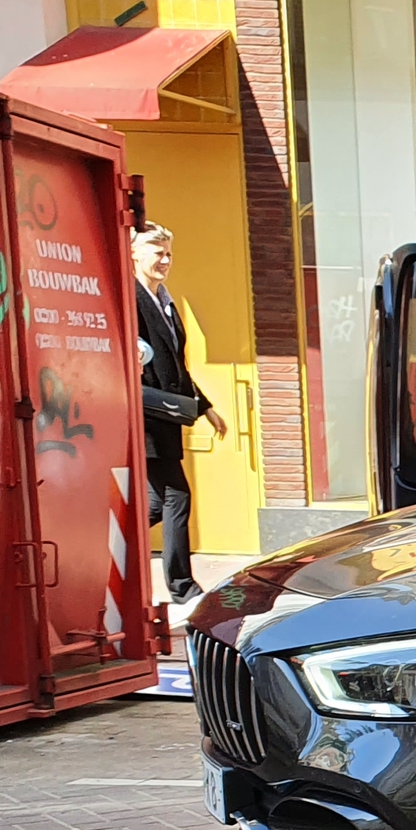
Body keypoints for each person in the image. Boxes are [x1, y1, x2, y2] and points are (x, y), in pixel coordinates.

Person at [133, 223, 225, 606]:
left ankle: (103, 545)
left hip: (168, 418)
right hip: (147, 418)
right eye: (158, 252)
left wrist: (205, 407)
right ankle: (182, 586)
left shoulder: (165, 303)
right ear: (134, 253)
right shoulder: (130, 300)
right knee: (176, 496)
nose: (166, 260)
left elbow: (178, 366)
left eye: (169, 253)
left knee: (155, 504)